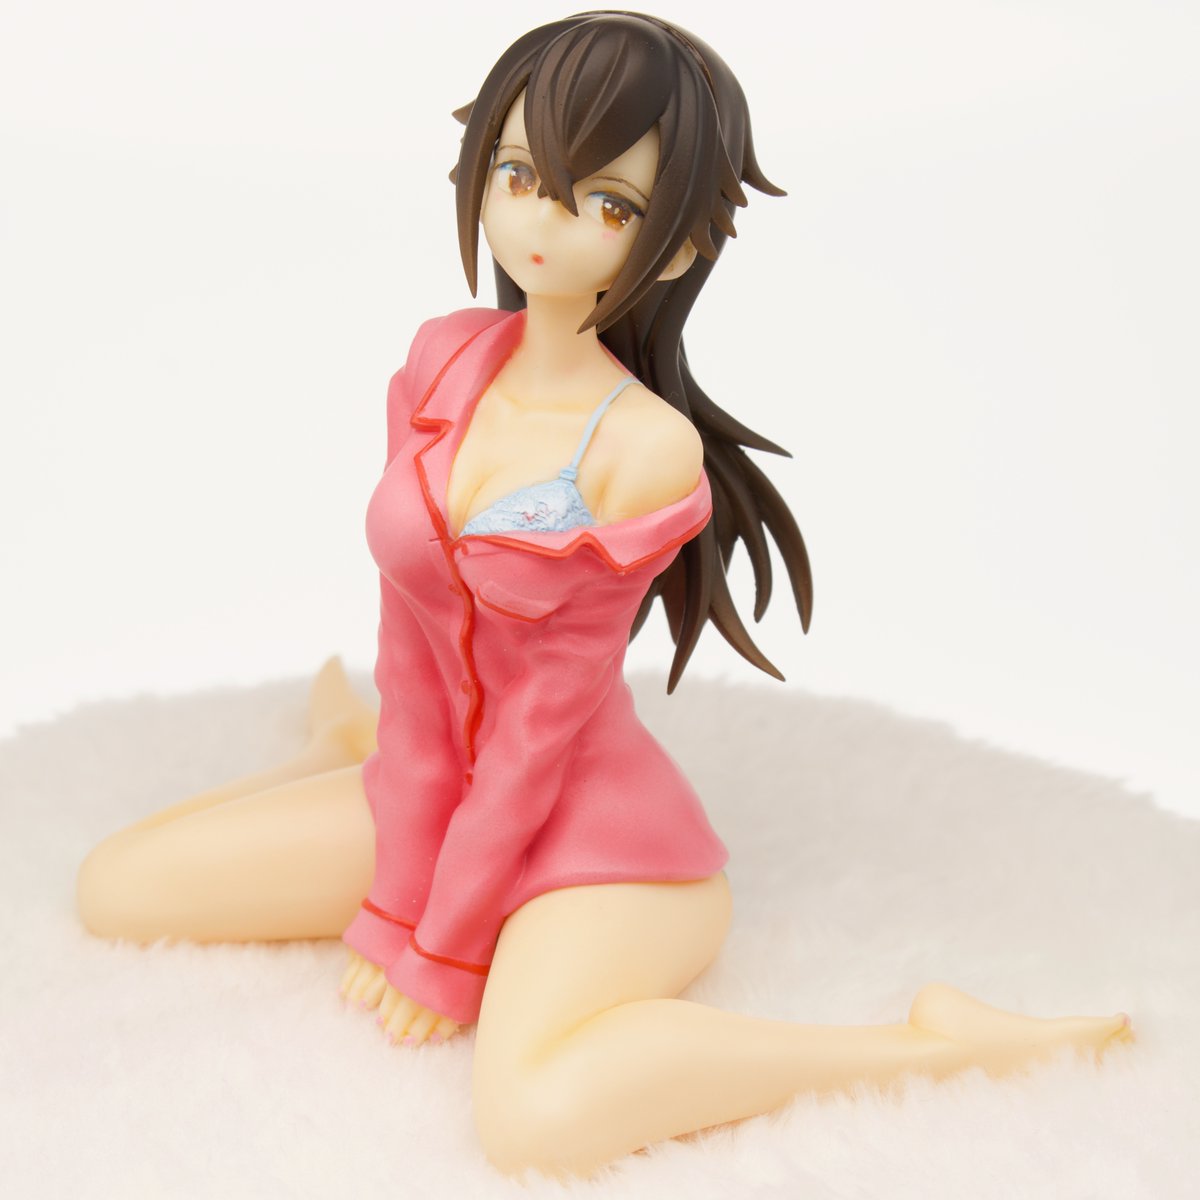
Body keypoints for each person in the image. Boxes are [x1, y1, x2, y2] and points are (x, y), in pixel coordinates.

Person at [75, 11, 1133, 1181]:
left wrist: (443, 943)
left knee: (532, 1117)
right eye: (521, 175)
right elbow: (409, 637)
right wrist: (395, 882)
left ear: (675, 249)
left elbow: (543, 729)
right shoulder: (441, 362)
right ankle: (344, 746)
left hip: (595, 839)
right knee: (117, 887)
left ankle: (928, 1044)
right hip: (438, 786)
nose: (544, 220)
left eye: (607, 204)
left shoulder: (644, 449)